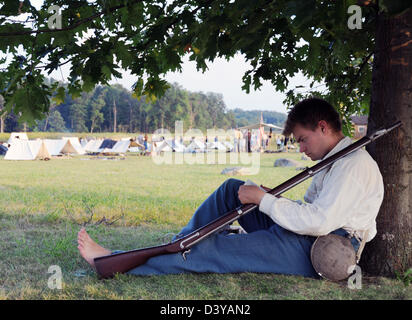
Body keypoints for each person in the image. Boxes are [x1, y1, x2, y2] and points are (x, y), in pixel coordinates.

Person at [78, 97, 384, 278]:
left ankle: (115, 262)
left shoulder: (352, 165)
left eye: (303, 139)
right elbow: (311, 211)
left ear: (322, 127)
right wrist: (268, 198)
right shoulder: (333, 159)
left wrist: (264, 200)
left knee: (218, 249)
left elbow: (319, 222)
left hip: (322, 249)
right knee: (232, 189)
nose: (301, 149)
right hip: (308, 233)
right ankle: (179, 245)